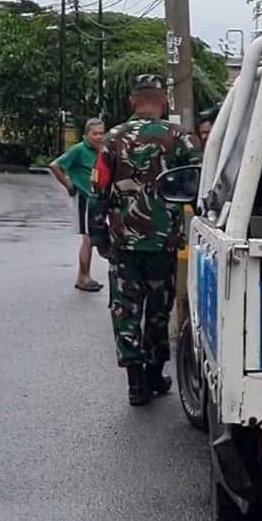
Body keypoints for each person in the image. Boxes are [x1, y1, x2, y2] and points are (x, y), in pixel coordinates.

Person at [94, 75, 201, 406]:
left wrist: (99, 233)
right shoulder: (180, 138)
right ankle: (155, 373)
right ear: (163, 102)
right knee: (158, 309)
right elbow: (198, 185)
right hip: (163, 241)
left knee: (125, 309)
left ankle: (136, 383)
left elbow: (98, 188)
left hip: (123, 242)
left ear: (132, 101)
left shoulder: (111, 139)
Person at [50, 118, 106, 292]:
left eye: (101, 133)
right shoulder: (79, 150)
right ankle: (83, 277)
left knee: (94, 238)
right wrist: (68, 185)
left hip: (98, 199)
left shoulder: (103, 151)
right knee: (88, 238)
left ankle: (84, 276)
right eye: (94, 133)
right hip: (84, 198)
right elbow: (55, 165)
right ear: (86, 135)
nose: (98, 137)